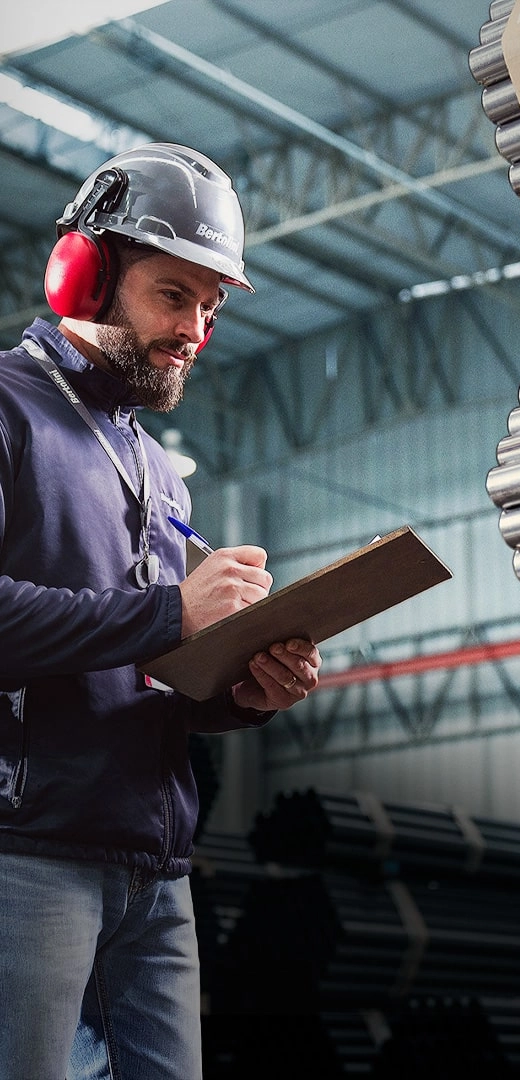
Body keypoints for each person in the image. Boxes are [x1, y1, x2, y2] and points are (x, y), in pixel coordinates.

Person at [0, 142, 322, 1080]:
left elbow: (159, 667)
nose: (194, 331)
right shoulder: (8, 410)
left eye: (210, 309)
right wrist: (168, 615)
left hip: (155, 873)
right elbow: (148, 622)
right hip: (29, 857)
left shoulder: (150, 463)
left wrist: (247, 686)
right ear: (86, 275)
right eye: (173, 296)